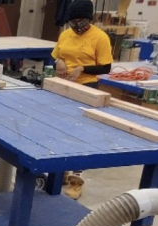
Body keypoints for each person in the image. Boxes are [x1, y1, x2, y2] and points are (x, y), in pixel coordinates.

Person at [52, 0, 114, 199]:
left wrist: (83, 68)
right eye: (73, 21)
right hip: (64, 86)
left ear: (89, 19)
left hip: (86, 88)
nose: (76, 25)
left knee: (79, 134)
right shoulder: (65, 34)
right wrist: (58, 61)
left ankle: (76, 180)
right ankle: (60, 171)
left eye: (80, 21)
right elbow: (56, 54)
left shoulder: (100, 37)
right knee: (60, 129)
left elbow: (105, 67)